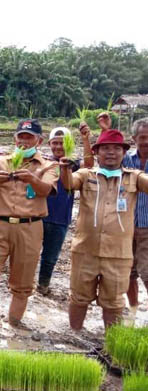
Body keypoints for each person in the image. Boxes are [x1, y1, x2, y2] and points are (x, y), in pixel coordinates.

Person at [0, 119, 58, 327]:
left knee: (23, 283)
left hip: (31, 227)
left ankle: (14, 324)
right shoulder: (0, 161)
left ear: (39, 140)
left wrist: (32, 179)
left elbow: (46, 190)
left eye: (30, 137)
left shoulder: (48, 165)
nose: (24, 142)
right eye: (21, 137)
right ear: (15, 138)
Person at [61, 129, 148, 331]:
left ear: (124, 153)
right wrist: (64, 169)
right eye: (106, 148)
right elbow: (69, 185)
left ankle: (111, 345)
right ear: (97, 152)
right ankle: (74, 335)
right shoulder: (86, 175)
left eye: (117, 148)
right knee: (79, 296)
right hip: (85, 251)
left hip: (118, 254)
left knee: (114, 301)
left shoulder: (134, 178)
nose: (111, 152)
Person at [36, 124, 93, 295]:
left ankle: (42, 285)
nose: (58, 147)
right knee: (29, 252)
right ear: (49, 144)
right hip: (37, 214)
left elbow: (89, 164)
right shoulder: (45, 161)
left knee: (50, 257)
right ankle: (23, 283)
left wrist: (85, 139)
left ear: (68, 144)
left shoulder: (73, 164)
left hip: (60, 218)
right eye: (55, 143)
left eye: (62, 143)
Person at [121, 118, 148, 322]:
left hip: (147, 228)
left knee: (147, 272)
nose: (147, 141)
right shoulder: (126, 160)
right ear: (134, 139)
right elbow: (106, 157)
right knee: (128, 273)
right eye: (143, 137)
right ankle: (133, 311)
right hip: (127, 226)